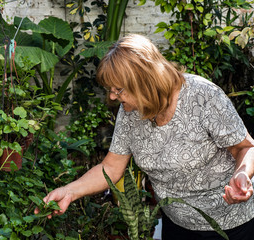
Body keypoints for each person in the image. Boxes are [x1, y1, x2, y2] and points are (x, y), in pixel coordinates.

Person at [34, 34, 254, 239]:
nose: (112, 96)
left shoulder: (203, 96)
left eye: (118, 89)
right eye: (110, 89)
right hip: (177, 225)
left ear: (145, 82)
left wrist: (242, 174)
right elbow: (111, 168)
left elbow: (246, 147)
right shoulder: (130, 111)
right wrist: (69, 192)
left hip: (232, 225)